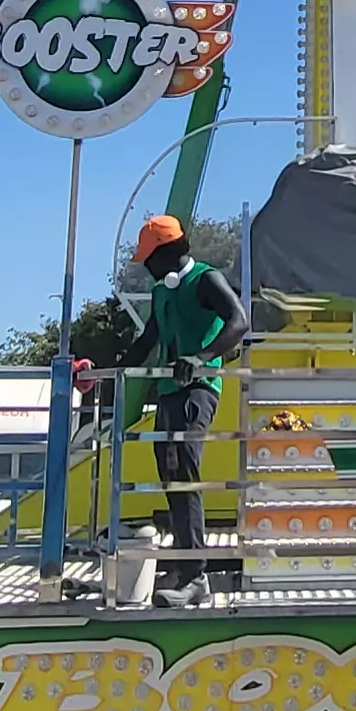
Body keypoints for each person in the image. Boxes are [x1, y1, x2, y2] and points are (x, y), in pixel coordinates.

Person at [127, 213, 250, 602]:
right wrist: (110, 370)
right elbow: (150, 336)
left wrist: (202, 357)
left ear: (170, 252)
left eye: (151, 259)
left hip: (198, 388)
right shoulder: (164, 291)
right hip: (169, 391)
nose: (148, 268)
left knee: (185, 469)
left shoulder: (205, 279)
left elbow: (239, 321)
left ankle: (196, 575)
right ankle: (186, 567)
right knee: (170, 473)